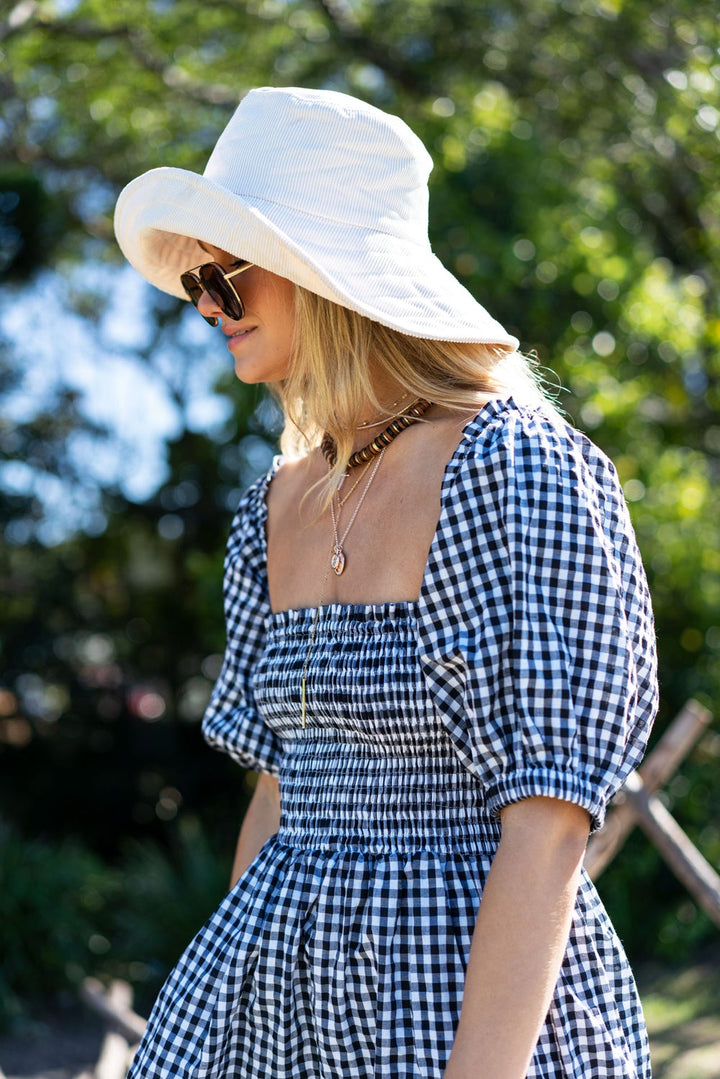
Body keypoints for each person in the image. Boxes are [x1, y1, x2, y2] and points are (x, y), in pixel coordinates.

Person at [114, 86, 658, 1078]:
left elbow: (548, 818)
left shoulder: (515, 468)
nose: (204, 307)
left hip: (463, 1004)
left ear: (319, 277)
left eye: (224, 281)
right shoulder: (271, 508)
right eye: (194, 282)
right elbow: (278, 794)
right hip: (275, 1005)